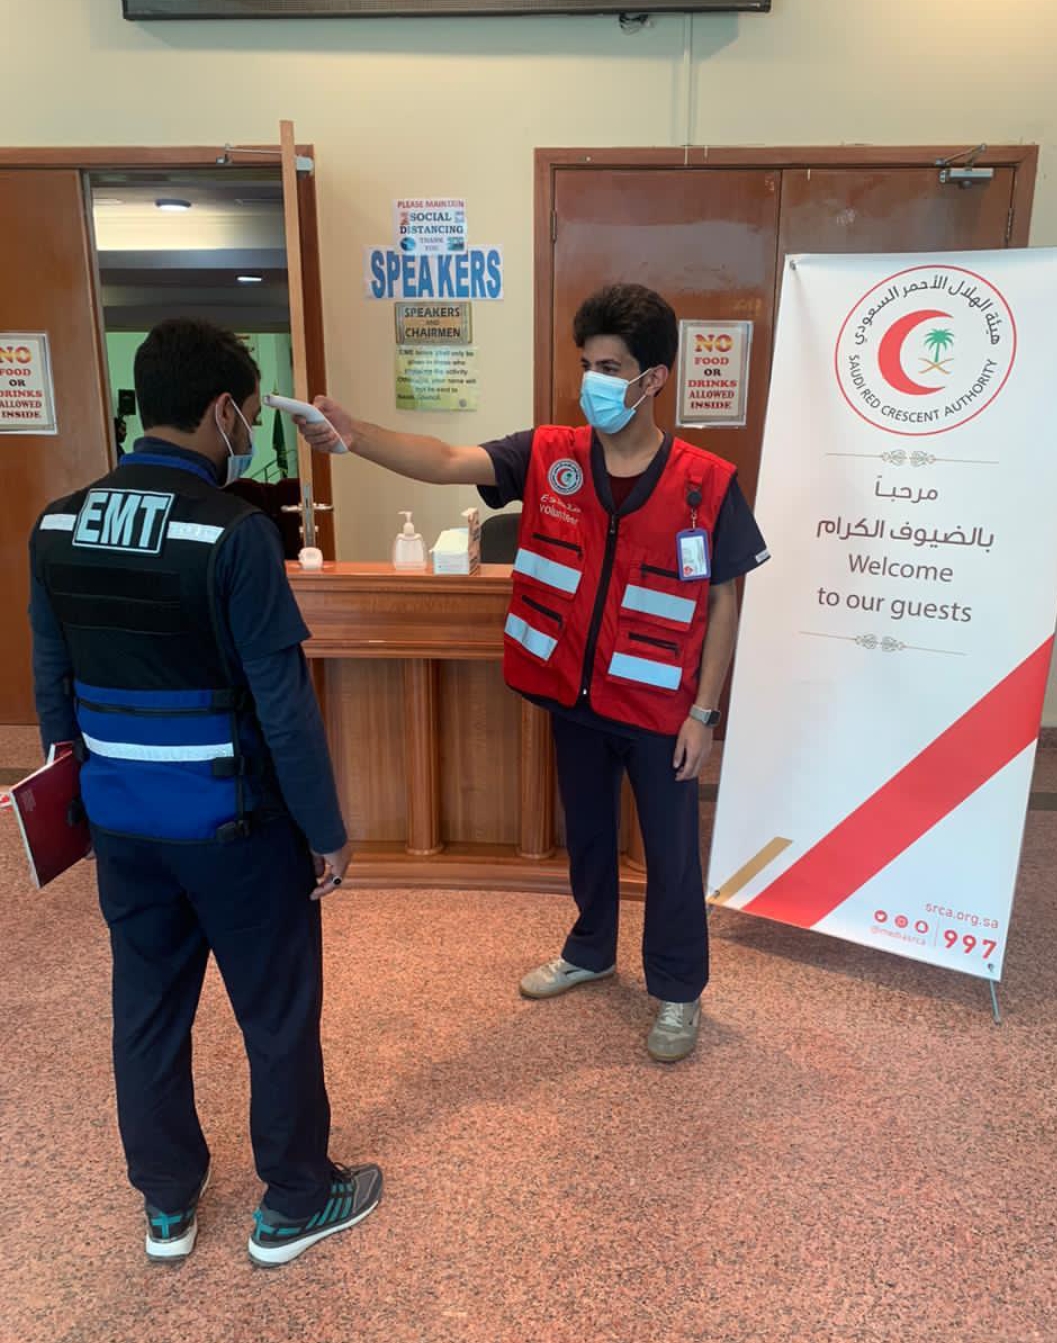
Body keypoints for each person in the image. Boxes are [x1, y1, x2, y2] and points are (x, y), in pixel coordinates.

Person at [298, 284, 769, 1063]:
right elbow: (448, 460)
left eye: (610, 368)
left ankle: (679, 988)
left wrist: (705, 713)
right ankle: (590, 950)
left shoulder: (707, 481)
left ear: (653, 377)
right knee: (586, 837)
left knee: (670, 856)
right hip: (574, 697)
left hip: (660, 709)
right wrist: (356, 437)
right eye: (587, 364)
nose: (593, 382)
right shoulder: (550, 453)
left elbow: (724, 598)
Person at [28, 319, 382, 1267]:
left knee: (146, 1009)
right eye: (252, 414)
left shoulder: (56, 524)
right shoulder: (232, 532)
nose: (251, 432)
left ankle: (167, 1203)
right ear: (224, 410)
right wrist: (326, 829)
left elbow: (53, 685)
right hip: (236, 826)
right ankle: (296, 1198)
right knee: (276, 1012)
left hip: (122, 821)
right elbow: (283, 705)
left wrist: (81, 803)